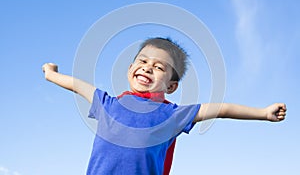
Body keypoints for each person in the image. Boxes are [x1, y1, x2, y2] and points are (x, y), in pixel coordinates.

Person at [42, 37, 286, 175]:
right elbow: (77, 85)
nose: (148, 67)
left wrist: (263, 113)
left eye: (159, 67)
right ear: (130, 70)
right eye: (143, 61)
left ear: (171, 86)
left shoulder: (173, 114)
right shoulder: (107, 104)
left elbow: (221, 109)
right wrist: (51, 74)